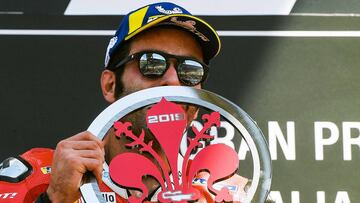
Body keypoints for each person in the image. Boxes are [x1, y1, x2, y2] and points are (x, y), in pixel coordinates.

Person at [0, 2, 228, 203]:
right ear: (110, 85)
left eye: (190, 71)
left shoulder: (225, 192)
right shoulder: (38, 178)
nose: (173, 81)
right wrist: (55, 199)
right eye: (152, 63)